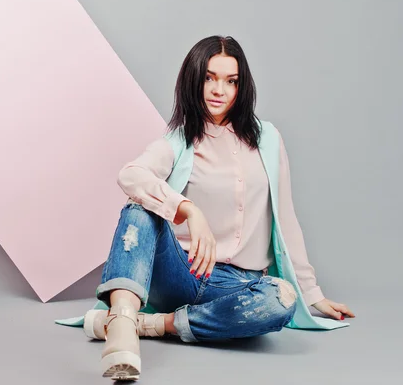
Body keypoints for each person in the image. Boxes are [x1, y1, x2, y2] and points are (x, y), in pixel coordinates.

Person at [83, 35, 355, 381]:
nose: (218, 90)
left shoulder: (268, 139)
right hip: (181, 272)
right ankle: (121, 328)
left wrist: (312, 295)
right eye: (209, 77)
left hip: (239, 284)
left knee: (280, 300)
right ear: (194, 79)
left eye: (231, 81)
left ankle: (153, 325)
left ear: (242, 87)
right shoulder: (180, 140)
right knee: (140, 207)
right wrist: (188, 210)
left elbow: (286, 218)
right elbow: (131, 174)